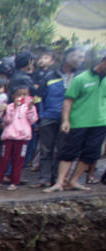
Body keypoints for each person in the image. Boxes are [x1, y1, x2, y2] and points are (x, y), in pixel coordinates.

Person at [45, 53, 106, 192]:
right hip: (78, 121)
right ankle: (59, 182)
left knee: (91, 154)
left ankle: (73, 181)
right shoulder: (81, 78)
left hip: (100, 122)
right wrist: (65, 120)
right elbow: (68, 100)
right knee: (68, 152)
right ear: (103, 61)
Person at [0, 85, 38, 190]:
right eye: (19, 95)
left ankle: (14, 182)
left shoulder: (30, 107)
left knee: (18, 161)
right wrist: (14, 109)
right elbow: (7, 121)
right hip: (9, 137)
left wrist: (30, 108)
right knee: (3, 160)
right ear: (13, 96)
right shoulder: (10, 106)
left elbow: (33, 120)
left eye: (24, 94)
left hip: (22, 138)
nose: (21, 97)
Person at [33, 53, 66, 187]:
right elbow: (38, 97)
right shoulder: (47, 77)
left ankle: (57, 179)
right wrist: (40, 117)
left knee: (61, 149)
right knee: (46, 149)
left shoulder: (71, 78)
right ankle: (45, 179)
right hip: (48, 117)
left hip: (65, 118)